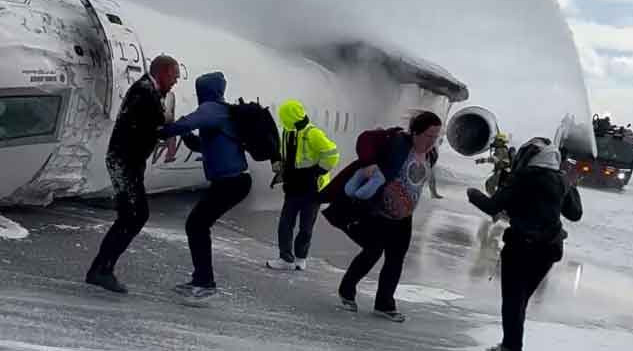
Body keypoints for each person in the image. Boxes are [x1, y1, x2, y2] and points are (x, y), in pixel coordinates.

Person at [467, 136, 583, 351]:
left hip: (521, 247)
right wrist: (571, 184)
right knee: (520, 300)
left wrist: (472, 194)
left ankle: (511, 346)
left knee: (513, 300)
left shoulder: (523, 178)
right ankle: (511, 344)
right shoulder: (561, 180)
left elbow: (493, 206)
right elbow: (575, 214)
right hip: (549, 250)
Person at [85, 55, 180, 293]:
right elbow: (160, 126)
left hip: (128, 161)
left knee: (132, 216)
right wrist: (181, 129)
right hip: (124, 162)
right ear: (163, 72)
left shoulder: (149, 91)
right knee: (134, 215)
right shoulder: (146, 92)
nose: (176, 81)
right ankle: (101, 270)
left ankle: (101, 268)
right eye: (174, 75)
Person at [336, 111, 442, 323]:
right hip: (379, 212)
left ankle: (384, 304)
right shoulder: (397, 142)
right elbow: (365, 138)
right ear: (416, 132)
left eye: (436, 136)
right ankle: (347, 289)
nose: (433, 141)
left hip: (404, 217)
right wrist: (368, 164)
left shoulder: (432, 155)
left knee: (395, 260)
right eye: (430, 135)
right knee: (372, 252)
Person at [158, 71, 252, 301]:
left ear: (205, 90)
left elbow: (188, 122)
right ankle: (202, 279)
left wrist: (162, 130)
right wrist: (189, 137)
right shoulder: (224, 111)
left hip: (231, 183)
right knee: (198, 225)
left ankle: (205, 282)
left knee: (197, 225)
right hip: (235, 181)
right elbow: (206, 146)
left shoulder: (212, 109)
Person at [266, 100, 341, 271]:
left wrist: (318, 171)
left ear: (291, 116)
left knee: (306, 227)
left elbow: (332, 153)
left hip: (312, 189)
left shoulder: (312, 133)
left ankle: (300, 258)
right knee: (285, 223)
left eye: (284, 115)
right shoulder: (287, 132)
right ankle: (285, 258)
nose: (281, 119)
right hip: (293, 186)